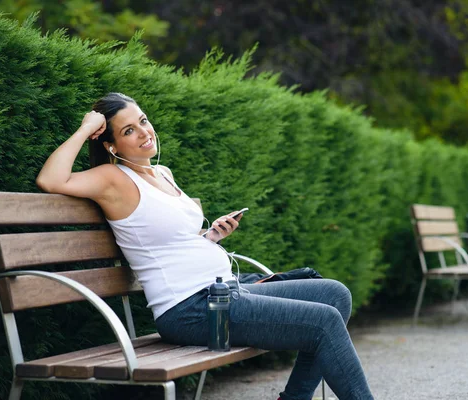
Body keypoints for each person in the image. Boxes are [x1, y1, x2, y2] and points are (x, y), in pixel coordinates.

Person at [36, 92, 374, 400]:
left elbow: (169, 240)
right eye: (128, 131)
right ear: (111, 146)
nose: (143, 132)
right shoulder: (113, 179)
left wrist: (210, 237)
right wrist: (86, 128)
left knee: (335, 295)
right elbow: (51, 180)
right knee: (324, 322)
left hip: (224, 292)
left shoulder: (163, 173)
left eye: (143, 121)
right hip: (190, 309)